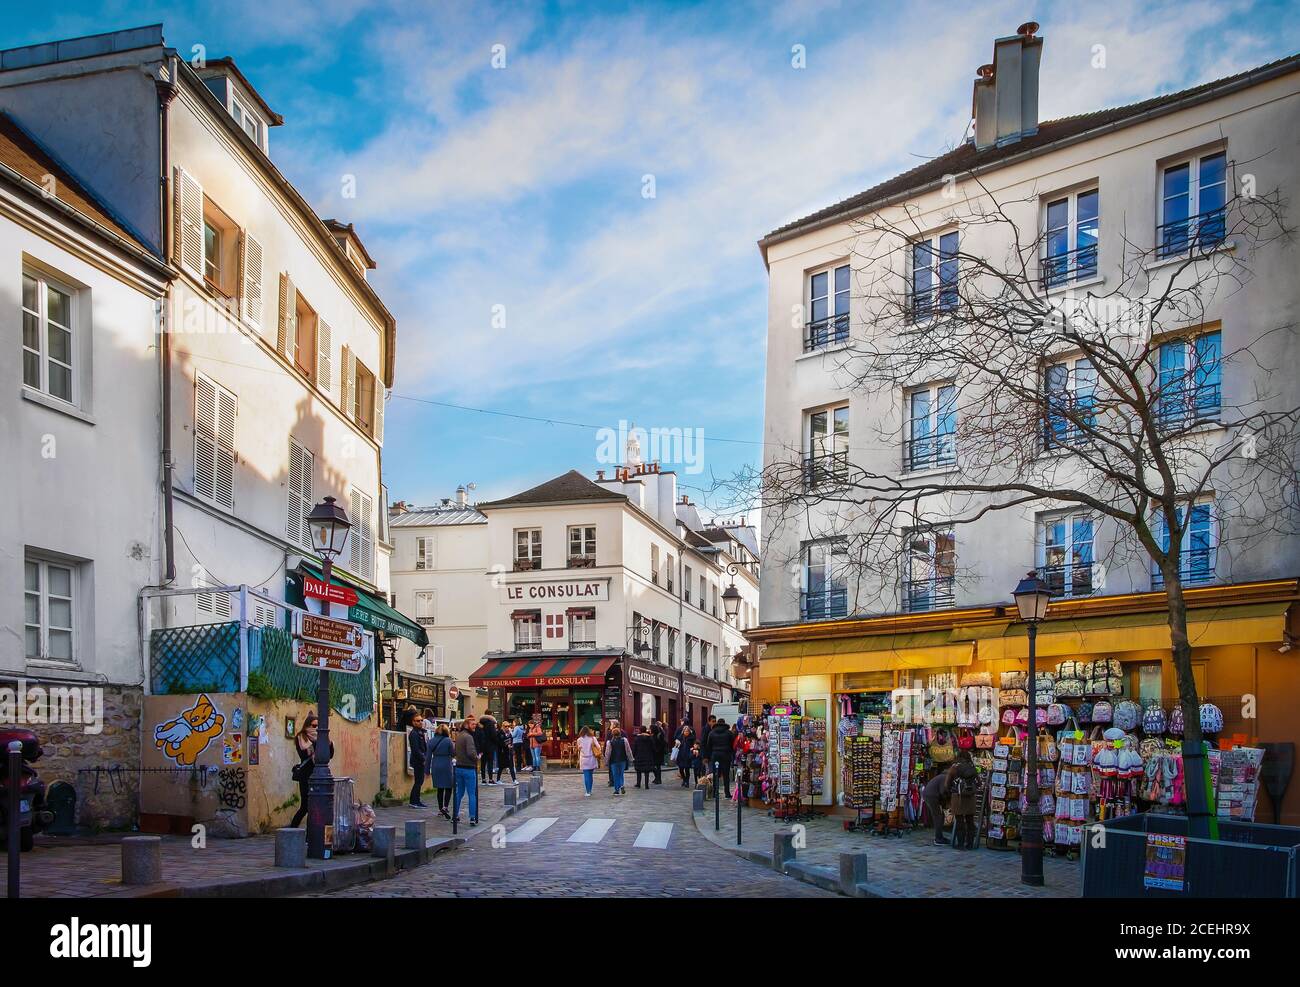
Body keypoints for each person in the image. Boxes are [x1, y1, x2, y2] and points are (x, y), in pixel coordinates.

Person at [289, 712, 329, 827]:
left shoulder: (322, 737)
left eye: (318, 726)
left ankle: (310, 834)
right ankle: (292, 829)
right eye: (313, 725)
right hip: (306, 776)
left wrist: (327, 741)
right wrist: (315, 744)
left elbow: (329, 754)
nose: (316, 728)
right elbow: (304, 754)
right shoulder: (301, 737)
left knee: (316, 807)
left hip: (319, 775)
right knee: (305, 806)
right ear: (307, 725)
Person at [949, 751, 979, 850]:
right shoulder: (972, 767)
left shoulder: (954, 767)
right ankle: (970, 844)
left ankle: (960, 844)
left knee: (959, 821)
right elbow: (979, 782)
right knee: (970, 820)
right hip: (970, 797)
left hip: (958, 797)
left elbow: (947, 783)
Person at [453, 714, 480, 825]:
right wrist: (477, 757)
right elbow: (470, 752)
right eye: (472, 724)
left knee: (459, 792)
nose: (475, 726)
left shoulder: (459, 736)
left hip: (459, 767)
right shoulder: (468, 737)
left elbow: (455, 751)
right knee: (471, 794)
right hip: (469, 768)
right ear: (467, 725)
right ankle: (472, 817)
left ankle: (455, 815)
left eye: (475, 724)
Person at [703, 717, 736, 798]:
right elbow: (733, 745)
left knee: (715, 774)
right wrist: (730, 753)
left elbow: (708, 745)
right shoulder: (729, 733)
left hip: (715, 755)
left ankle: (715, 792)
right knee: (726, 774)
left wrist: (710, 755)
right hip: (726, 755)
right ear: (724, 723)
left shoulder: (712, 733)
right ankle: (727, 793)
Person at [922, 762, 954, 845]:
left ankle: (939, 836)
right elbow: (943, 791)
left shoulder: (942, 776)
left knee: (940, 816)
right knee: (938, 816)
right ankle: (938, 839)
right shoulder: (945, 778)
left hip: (930, 795)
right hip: (932, 796)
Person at [428, 722, 454, 818]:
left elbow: (428, 757)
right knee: (448, 786)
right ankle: (445, 806)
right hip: (446, 764)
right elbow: (453, 753)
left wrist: (426, 770)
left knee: (440, 788)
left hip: (435, 764)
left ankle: (440, 808)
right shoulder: (448, 740)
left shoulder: (431, 741)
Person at [408, 712, 430, 807]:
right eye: (418, 721)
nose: (420, 722)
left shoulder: (420, 732)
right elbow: (416, 749)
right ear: (413, 722)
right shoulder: (414, 733)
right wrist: (423, 758)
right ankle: (414, 801)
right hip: (418, 760)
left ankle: (416, 800)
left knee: (419, 781)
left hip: (421, 759)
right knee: (418, 781)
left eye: (421, 720)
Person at [604, 726, 632, 795]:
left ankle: (616, 790)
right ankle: (621, 785)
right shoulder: (624, 740)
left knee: (615, 775)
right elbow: (628, 750)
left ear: (612, 734)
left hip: (613, 761)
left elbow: (608, 753)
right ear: (620, 733)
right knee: (621, 774)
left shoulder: (609, 742)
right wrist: (631, 758)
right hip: (623, 759)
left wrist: (606, 761)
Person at [577, 726, 601, 796]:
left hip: (584, 759)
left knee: (586, 775)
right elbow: (598, 747)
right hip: (592, 758)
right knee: (590, 775)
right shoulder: (593, 738)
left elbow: (579, 748)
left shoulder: (579, 740)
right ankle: (590, 789)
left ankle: (588, 791)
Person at [495, 719, 517, 784]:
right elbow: (499, 743)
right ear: (502, 726)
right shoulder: (499, 733)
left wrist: (511, 745)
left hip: (508, 752)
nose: (507, 727)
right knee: (501, 767)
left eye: (508, 726)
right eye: (506, 726)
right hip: (502, 753)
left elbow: (511, 740)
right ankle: (498, 779)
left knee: (511, 766)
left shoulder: (509, 733)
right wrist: (506, 745)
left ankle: (514, 780)